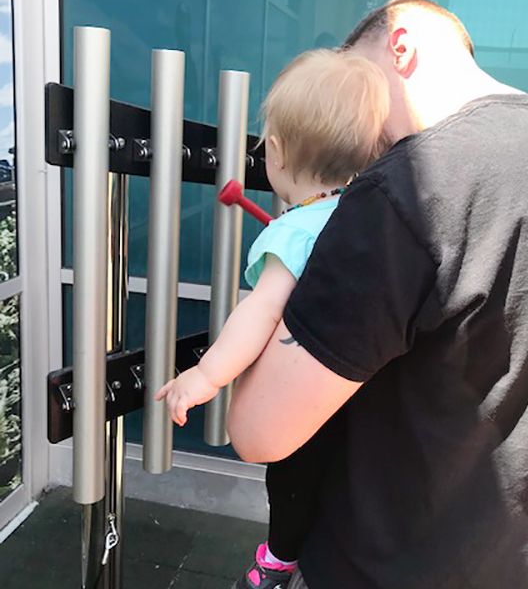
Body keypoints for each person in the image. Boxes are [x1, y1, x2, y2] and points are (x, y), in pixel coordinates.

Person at [226, 0, 528, 589]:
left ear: (400, 48)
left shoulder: (408, 189)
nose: (350, 124)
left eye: (353, 87)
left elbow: (256, 430)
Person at [155, 49, 390, 589]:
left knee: (290, 477)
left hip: (303, 395)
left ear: (277, 154)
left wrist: (207, 375)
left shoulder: (293, 232)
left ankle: (280, 559)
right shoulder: (364, 214)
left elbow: (259, 312)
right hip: (359, 389)